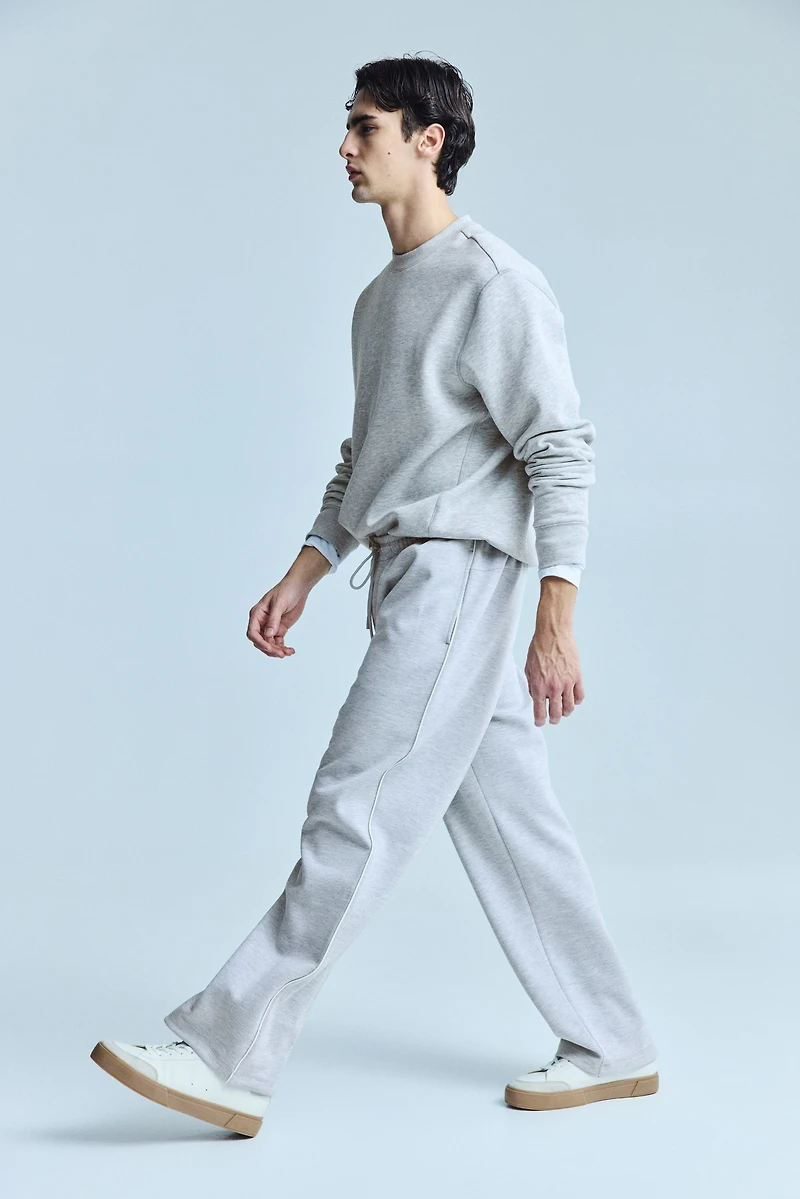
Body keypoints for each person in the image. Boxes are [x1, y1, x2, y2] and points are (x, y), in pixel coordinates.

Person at [90, 53, 658, 1138]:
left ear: (427, 140)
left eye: (365, 127)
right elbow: (367, 461)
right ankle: (613, 1041)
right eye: (346, 127)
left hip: (459, 579)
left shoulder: (493, 282)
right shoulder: (379, 299)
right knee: (517, 825)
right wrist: (304, 570)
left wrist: (556, 617)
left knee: (354, 806)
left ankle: (226, 1054)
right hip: (403, 574)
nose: (345, 147)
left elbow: (560, 450)